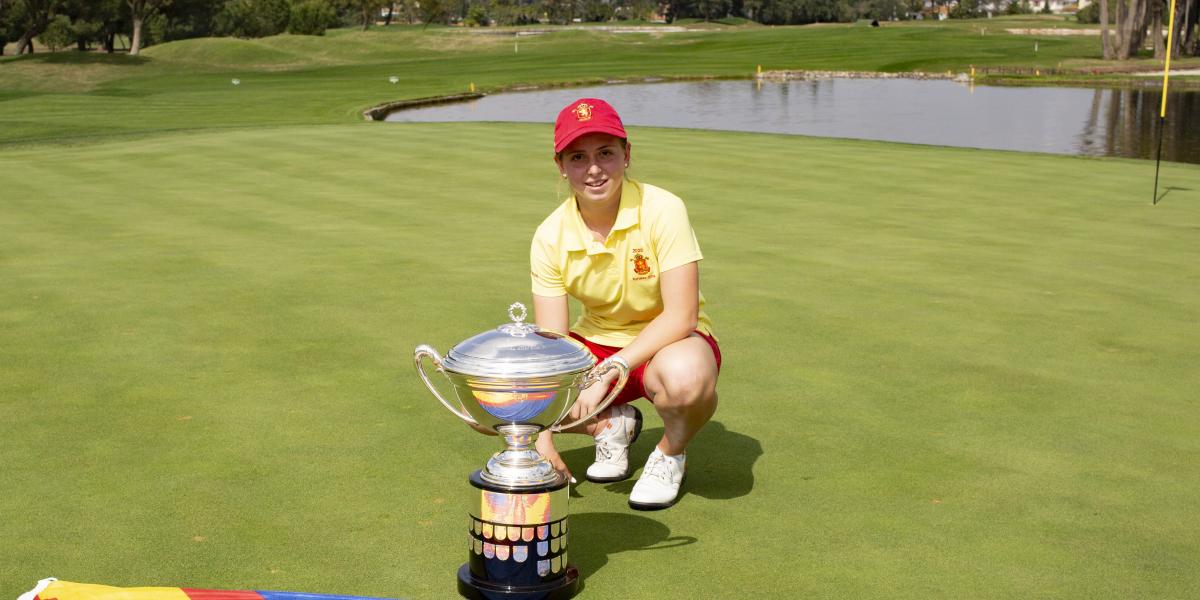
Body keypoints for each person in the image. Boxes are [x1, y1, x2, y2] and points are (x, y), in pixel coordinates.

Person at [529, 98, 722, 510]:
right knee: (509, 397)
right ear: (560, 165)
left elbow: (681, 315)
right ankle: (609, 426)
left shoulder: (663, 208)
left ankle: (669, 454)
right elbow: (553, 344)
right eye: (578, 157)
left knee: (686, 380)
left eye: (606, 153)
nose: (594, 168)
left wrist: (612, 368)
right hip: (594, 343)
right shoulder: (549, 235)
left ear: (627, 155)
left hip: (670, 343)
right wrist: (540, 441)